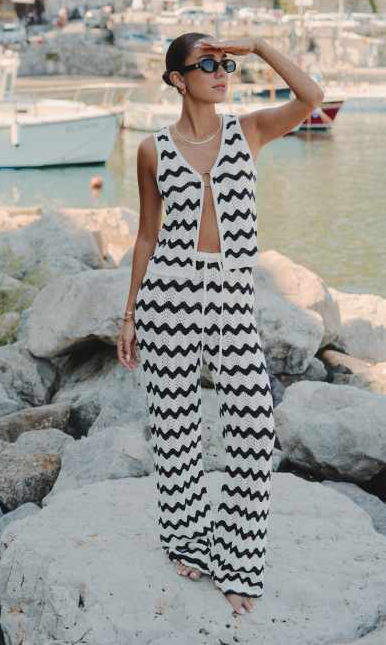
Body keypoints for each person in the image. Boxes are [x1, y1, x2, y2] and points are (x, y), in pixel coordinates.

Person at [117, 33, 323, 616]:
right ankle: (185, 539)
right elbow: (147, 235)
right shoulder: (153, 150)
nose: (221, 70)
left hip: (232, 295)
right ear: (177, 79)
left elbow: (312, 97)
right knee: (175, 429)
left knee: (254, 429)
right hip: (168, 295)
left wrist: (257, 47)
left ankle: (238, 561)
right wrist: (129, 314)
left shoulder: (247, 131)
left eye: (225, 62)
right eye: (206, 63)